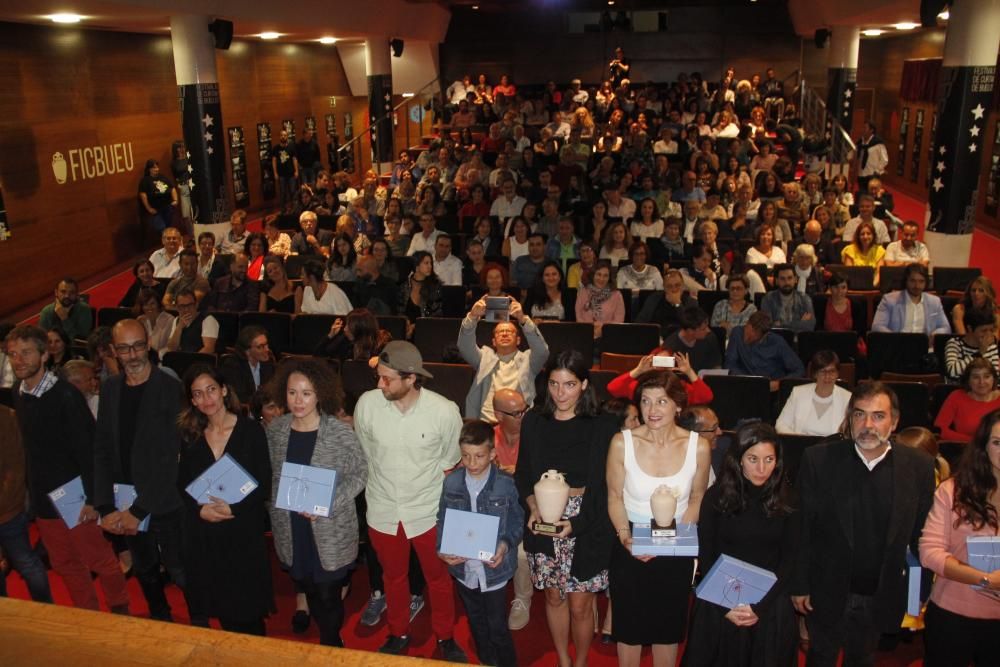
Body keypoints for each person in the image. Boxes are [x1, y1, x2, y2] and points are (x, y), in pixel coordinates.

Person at [791, 382, 935, 667]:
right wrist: (799, 584)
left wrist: (919, 592)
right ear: (849, 418)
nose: (868, 424)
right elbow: (801, 528)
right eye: (859, 414)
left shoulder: (918, 466)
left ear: (894, 422)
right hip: (827, 588)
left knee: (864, 659)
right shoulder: (819, 460)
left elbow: (922, 535)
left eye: (878, 416)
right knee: (820, 657)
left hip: (882, 589)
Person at [353, 342, 468, 660]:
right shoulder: (366, 405)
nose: (379, 384)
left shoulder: (444, 411)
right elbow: (366, 453)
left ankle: (445, 636)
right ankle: (398, 631)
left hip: (428, 512)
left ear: (411, 377)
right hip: (383, 509)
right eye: (379, 376)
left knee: (438, 578)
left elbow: (450, 465)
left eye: (387, 378)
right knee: (393, 577)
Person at [6, 325, 128, 612]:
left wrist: (91, 499)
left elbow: (90, 452)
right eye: (12, 354)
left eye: (26, 353)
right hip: (43, 497)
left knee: (100, 559)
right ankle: (87, 616)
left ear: (44, 355)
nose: (18, 360)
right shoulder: (18, 393)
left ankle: (122, 613)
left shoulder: (66, 396)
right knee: (65, 564)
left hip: (75, 496)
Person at [514, 350, 619, 667]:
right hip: (544, 516)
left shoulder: (603, 425)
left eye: (570, 384)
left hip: (587, 518)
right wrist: (533, 508)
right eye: (555, 384)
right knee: (553, 596)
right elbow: (523, 474)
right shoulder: (534, 420)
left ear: (584, 384)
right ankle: (562, 659)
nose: (561, 393)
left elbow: (606, 487)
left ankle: (581, 661)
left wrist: (577, 523)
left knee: (580, 605)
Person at [606, 370, 711, 667]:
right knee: (629, 631)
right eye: (646, 401)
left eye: (662, 401)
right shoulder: (620, 442)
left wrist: (673, 540)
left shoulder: (698, 446)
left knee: (668, 631)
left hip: (676, 545)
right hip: (629, 544)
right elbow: (614, 496)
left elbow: (697, 498)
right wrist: (626, 537)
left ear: (678, 405)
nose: (652, 410)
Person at [94, 320, 197, 622]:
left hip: (163, 501)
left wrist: (138, 510)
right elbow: (102, 448)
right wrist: (105, 506)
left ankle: (200, 620)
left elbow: (171, 459)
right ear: (113, 351)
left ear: (149, 343)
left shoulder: (169, 388)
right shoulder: (110, 388)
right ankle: (160, 617)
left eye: (138, 345)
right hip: (125, 500)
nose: (133, 354)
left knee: (179, 569)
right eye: (124, 349)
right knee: (145, 567)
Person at [266, 358, 368, 646]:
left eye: (306, 393)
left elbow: (360, 474)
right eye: (292, 392)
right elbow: (273, 476)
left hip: (329, 528)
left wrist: (329, 503)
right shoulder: (276, 431)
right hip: (292, 526)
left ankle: (331, 641)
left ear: (320, 394)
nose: (298, 401)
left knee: (327, 593)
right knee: (308, 585)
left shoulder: (339, 432)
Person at [682, 422, 798, 667]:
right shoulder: (716, 497)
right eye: (753, 458)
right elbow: (707, 552)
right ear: (739, 459)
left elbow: (790, 559)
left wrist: (759, 608)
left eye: (769, 459)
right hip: (720, 601)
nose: (761, 468)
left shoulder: (788, 499)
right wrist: (726, 604)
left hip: (769, 605)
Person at [176, 365, 273, 635]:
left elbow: (263, 482)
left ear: (224, 390)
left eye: (211, 390)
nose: (207, 399)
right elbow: (183, 485)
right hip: (206, 533)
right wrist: (200, 511)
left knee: (248, 611)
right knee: (220, 608)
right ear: (192, 400)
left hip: (242, 530)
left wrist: (234, 507)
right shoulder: (190, 435)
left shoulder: (251, 431)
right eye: (198, 394)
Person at [436, 420, 524, 667]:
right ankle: (486, 660)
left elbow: (518, 521)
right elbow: (442, 519)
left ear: (492, 454)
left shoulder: (505, 485)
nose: (471, 463)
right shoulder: (451, 483)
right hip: (463, 570)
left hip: (494, 570)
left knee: (497, 625)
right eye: (465, 456)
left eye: (479, 456)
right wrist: (441, 549)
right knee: (475, 622)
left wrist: (505, 544)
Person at [919, 409, 1000, 664]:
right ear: (984, 447)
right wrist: (985, 579)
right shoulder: (952, 490)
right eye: (997, 442)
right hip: (952, 614)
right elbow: (929, 552)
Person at [458, 296, 548, 421]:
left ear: (518, 340)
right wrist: (472, 317)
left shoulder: (528, 360)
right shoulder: (484, 358)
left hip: (519, 425)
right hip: (487, 425)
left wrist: (523, 319)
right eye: (500, 332)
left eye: (510, 331)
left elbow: (542, 351)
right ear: (494, 342)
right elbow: (464, 347)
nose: (505, 333)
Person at [0, 403, 53, 602]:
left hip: (8, 511)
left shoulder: (7, 417)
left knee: (27, 563)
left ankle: (46, 609)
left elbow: (15, 470)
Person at [776, 350, 852, 437]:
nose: (827, 376)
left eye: (832, 371)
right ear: (815, 374)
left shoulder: (847, 398)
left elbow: (850, 432)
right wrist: (799, 440)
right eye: (822, 371)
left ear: (837, 374)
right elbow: (780, 425)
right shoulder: (798, 393)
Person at [725, 312, 805, 388]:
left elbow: (799, 369)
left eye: (754, 333)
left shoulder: (777, 342)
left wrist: (779, 383)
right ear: (747, 323)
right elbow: (730, 363)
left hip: (770, 388)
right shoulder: (737, 333)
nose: (747, 335)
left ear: (765, 335)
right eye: (747, 328)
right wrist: (747, 380)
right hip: (745, 385)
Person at [871, 263, 951, 336]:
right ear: (906, 281)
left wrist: (934, 334)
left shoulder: (934, 301)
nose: (917, 286)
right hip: (897, 347)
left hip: (926, 348)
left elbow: (946, 328)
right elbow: (877, 326)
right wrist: (895, 339)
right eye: (913, 281)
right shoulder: (889, 300)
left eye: (921, 281)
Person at [934, 358, 1000, 443]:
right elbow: (940, 429)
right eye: (976, 377)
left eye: (987, 376)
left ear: (994, 379)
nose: (982, 382)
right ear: (968, 380)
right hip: (963, 450)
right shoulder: (956, 396)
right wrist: (973, 442)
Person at [219, 326, 275, 405]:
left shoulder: (268, 363)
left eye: (266, 345)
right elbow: (240, 399)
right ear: (247, 351)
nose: (267, 349)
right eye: (260, 347)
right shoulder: (232, 367)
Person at [636, 268, 698, 338]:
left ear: (683, 286)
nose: (674, 289)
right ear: (664, 287)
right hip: (656, 338)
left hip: (682, 341)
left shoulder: (691, 302)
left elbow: (691, 327)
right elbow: (640, 322)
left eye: (677, 285)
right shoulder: (654, 298)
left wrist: (677, 304)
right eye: (669, 286)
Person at [944, 306, 999, 382]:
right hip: (961, 389)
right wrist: (980, 353)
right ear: (970, 328)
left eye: (991, 330)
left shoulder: (991, 346)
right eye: (984, 330)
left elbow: (995, 376)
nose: (988, 335)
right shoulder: (955, 344)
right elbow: (952, 371)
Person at [575, 260, 626, 340]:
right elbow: (578, 316)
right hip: (584, 335)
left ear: (609, 278)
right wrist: (590, 331)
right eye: (599, 274)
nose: (601, 279)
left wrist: (602, 330)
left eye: (605, 276)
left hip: (609, 337)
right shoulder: (583, 292)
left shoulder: (617, 295)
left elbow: (618, 320)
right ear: (593, 275)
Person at [663, 306, 722, 373]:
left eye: (707, 327)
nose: (708, 330)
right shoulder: (670, 347)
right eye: (703, 329)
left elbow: (716, 365)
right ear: (690, 331)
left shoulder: (710, 338)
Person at [759, 264, 816, 333]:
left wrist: (781, 324)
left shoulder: (805, 299)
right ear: (776, 281)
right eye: (782, 279)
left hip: (799, 341)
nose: (787, 282)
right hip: (775, 341)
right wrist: (800, 323)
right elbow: (768, 326)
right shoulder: (768, 299)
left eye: (790, 278)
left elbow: (810, 326)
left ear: (795, 279)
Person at [163, 288, 219, 354]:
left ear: (196, 305)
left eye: (190, 305)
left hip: (201, 361)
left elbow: (209, 349)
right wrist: (179, 327)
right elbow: (171, 348)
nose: (186, 309)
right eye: (182, 306)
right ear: (177, 307)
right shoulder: (177, 320)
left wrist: (190, 361)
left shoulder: (207, 320)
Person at [39, 277, 92, 343]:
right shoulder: (46, 312)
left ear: (77, 294)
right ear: (56, 292)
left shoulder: (84, 310)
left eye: (72, 292)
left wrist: (65, 319)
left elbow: (80, 341)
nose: (67, 296)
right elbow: (41, 341)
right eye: (63, 292)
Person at [400, 251, 443, 325]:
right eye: (426, 263)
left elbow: (436, 314)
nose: (430, 266)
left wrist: (415, 326)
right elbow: (399, 311)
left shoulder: (435, 286)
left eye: (431, 263)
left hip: (426, 328)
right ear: (416, 266)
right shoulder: (404, 285)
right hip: (405, 328)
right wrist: (406, 324)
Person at [137, 159, 178, 233]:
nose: (157, 169)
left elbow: (172, 188)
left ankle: (167, 242)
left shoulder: (163, 177)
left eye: (157, 167)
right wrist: (149, 208)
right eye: (154, 168)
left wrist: (175, 200)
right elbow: (143, 195)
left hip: (167, 206)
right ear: (149, 169)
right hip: (156, 210)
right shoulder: (145, 181)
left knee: (168, 227)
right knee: (161, 228)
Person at [133, 287, 173, 352]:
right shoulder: (141, 320)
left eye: (152, 304)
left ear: (158, 304)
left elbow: (171, 347)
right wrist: (137, 325)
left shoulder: (169, 320)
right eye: (145, 304)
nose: (149, 308)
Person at [856, 122, 888, 193]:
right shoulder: (861, 142)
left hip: (872, 174)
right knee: (862, 195)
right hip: (861, 174)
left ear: (871, 130)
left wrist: (877, 170)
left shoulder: (878, 143)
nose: (863, 130)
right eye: (863, 128)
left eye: (865, 128)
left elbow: (884, 159)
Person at [271, 129, 299, 211]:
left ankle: (294, 208)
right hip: (281, 174)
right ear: (280, 137)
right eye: (282, 135)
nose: (283, 137)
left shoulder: (291, 147)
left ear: (287, 136)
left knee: (293, 191)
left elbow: (294, 159)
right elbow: (274, 161)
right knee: (283, 193)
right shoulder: (276, 148)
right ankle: (283, 209)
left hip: (291, 174)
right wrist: (275, 173)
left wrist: (296, 171)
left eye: (285, 135)